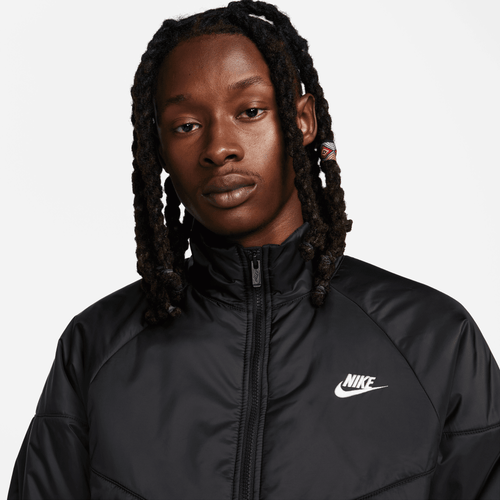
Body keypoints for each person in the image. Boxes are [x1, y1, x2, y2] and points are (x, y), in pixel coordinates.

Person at [8, 1, 500, 499]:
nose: (219, 147)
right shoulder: (96, 348)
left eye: (249, 112)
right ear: (159, 148)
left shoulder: (431, 339)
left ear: (302, 120)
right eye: (186, 125)